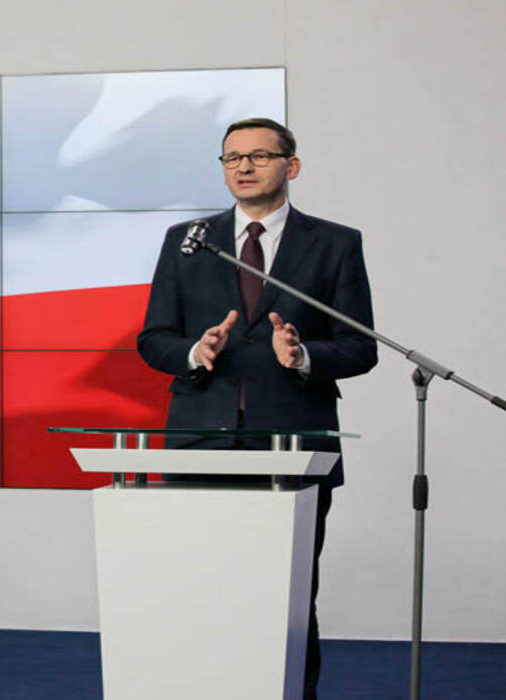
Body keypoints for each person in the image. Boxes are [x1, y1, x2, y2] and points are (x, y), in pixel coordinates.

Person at [136, 118, 377, 698]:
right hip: (201, 437)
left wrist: (300, 356)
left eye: (259, 156)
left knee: (289, 593)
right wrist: (196, 350)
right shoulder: (187, 239)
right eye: (231, 158)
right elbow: (153, 338)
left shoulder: (335, 242)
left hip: (292, 441)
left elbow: (360, 346)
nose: (243, 167)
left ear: (290, 166)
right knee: (201, 585)